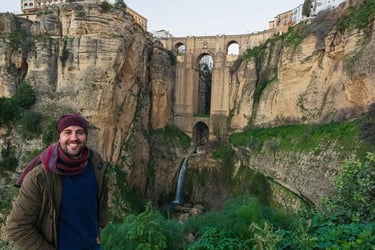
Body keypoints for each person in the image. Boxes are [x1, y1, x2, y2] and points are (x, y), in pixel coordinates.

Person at [7, 113, 108, 250]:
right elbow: (17, 227)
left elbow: (100, 199)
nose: (74, 138)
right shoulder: (39, 178)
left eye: (80, 132)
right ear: (59, 136)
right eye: (68, 132)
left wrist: (99, 227)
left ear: (86, 136)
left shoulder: (95, 164)